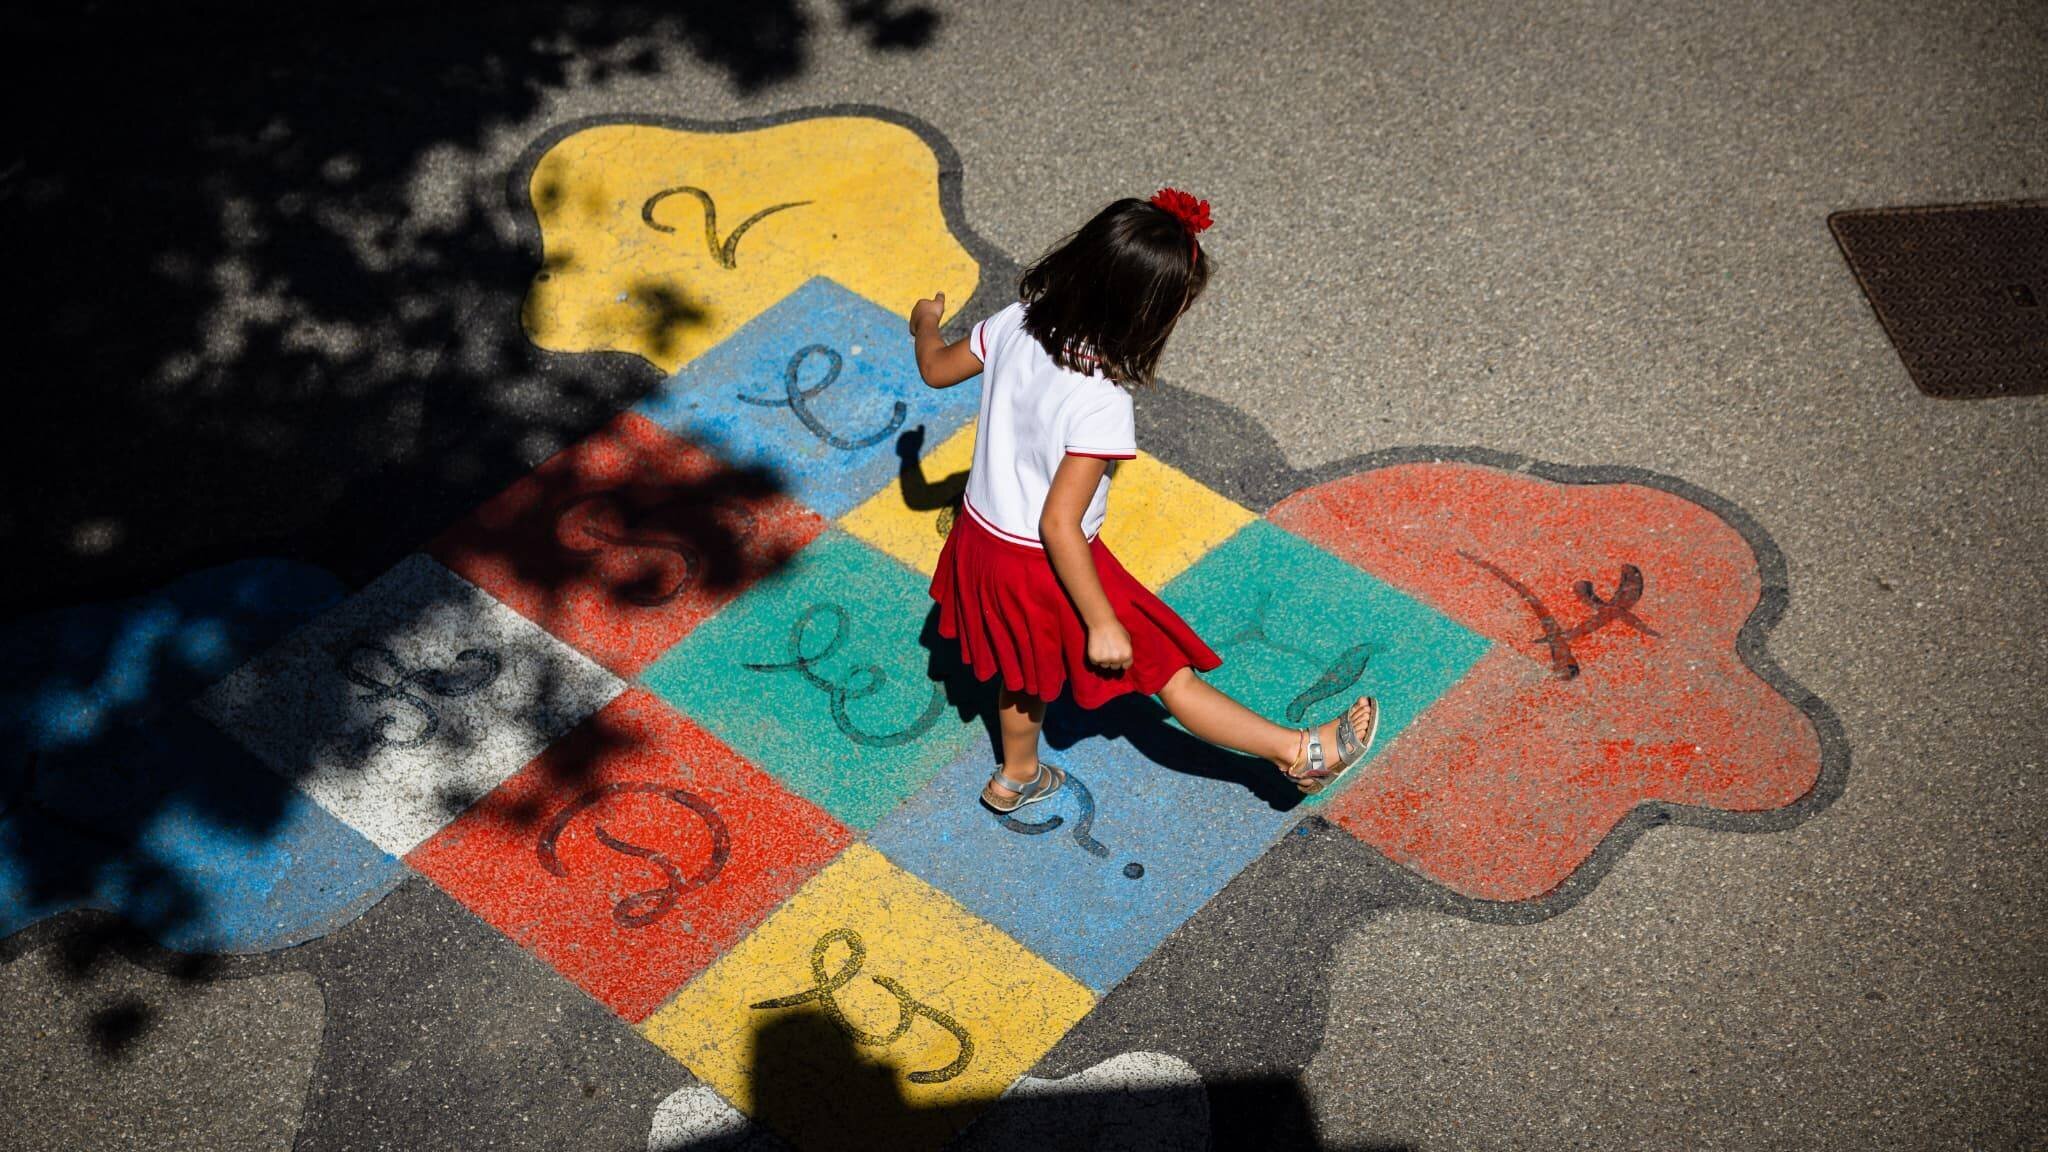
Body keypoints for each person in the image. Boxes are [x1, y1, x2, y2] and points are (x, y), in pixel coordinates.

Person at [908, 189, 1379, 813]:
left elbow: (936, 369)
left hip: (981, 542)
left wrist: (925, 324)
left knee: (1023, 674)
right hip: (1050, 564)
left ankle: (1015, 776)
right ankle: (1301, 753)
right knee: (1167, 673)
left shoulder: (1016, 320)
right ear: (1144, 315)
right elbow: (1058, 523)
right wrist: (1101, 620)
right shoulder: (1100, 400)